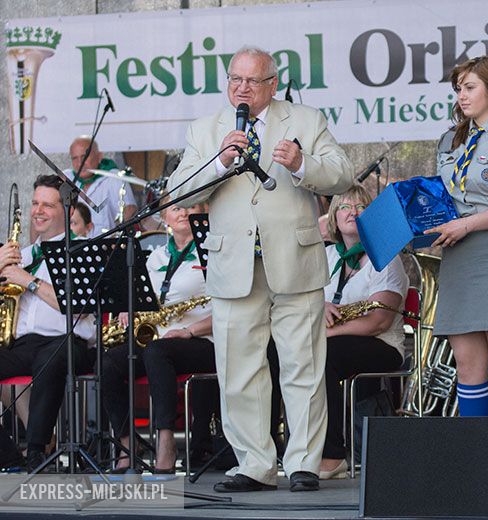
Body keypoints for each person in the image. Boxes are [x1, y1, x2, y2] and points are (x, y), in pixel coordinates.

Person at [167, 46, 353, 493]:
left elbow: (343, 175)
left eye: (252, 81)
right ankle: (254, 465)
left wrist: (302, 164)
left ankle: (305, 463)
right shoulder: (206, 129)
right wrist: (221, 159)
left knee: (302, 364)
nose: (242, 89)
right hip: (234, 265)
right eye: (235, 80)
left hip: (295, 260)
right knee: (239, 369)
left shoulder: (306, 120)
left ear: (272, 83)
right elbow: (177, 191)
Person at [424, 56, 488, 417]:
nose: (461, 96)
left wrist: (466, 225)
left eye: (470, 88)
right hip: (457, 254)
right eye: (458, 89)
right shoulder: (449, 140)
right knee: (467, 364)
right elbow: (440, 198)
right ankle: (478, 457)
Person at [101, 199, 216, 474]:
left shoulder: (211, 253)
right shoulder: (156, 258)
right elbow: (144, 297)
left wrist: (188, 331)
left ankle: (166, 440)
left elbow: (228, 309)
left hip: (204, 340)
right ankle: (128, 442)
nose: (183, 212)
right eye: (176, 208)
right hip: (160, 341)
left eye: (190, 206)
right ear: (164, 217)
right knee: (108, 363)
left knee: (157, 352)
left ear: (202, 213)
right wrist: (130, 309)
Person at [0, 175, 95, 472]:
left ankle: (37, 451)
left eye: (47, 205)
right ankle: (8, 455)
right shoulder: (24, 254)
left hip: (68, 341)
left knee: (50, 358)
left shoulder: (82, 249)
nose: (38, 211)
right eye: (35, 203)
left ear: (66, 211)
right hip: (24, 343)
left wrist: (27, 281)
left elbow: (77, 306)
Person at [319, 184, 408, 480]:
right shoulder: (328, 257)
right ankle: (282, 446)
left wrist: (327, 334)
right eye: (345, 206)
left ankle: (332, 456)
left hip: (381, 344)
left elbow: (378, 322)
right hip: (336, 341)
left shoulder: (385, 257)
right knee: (275, 349)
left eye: (361, 207)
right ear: (333, 216)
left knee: (324, 355)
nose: (353, 212)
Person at [66, 136, 138, 237]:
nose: (80, 163)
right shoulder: (66, 179)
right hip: (73, 247)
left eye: (84, 157)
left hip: (107, 247)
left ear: (99, 156)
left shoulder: (115, 178)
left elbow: (129, 214)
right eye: (75, 158)